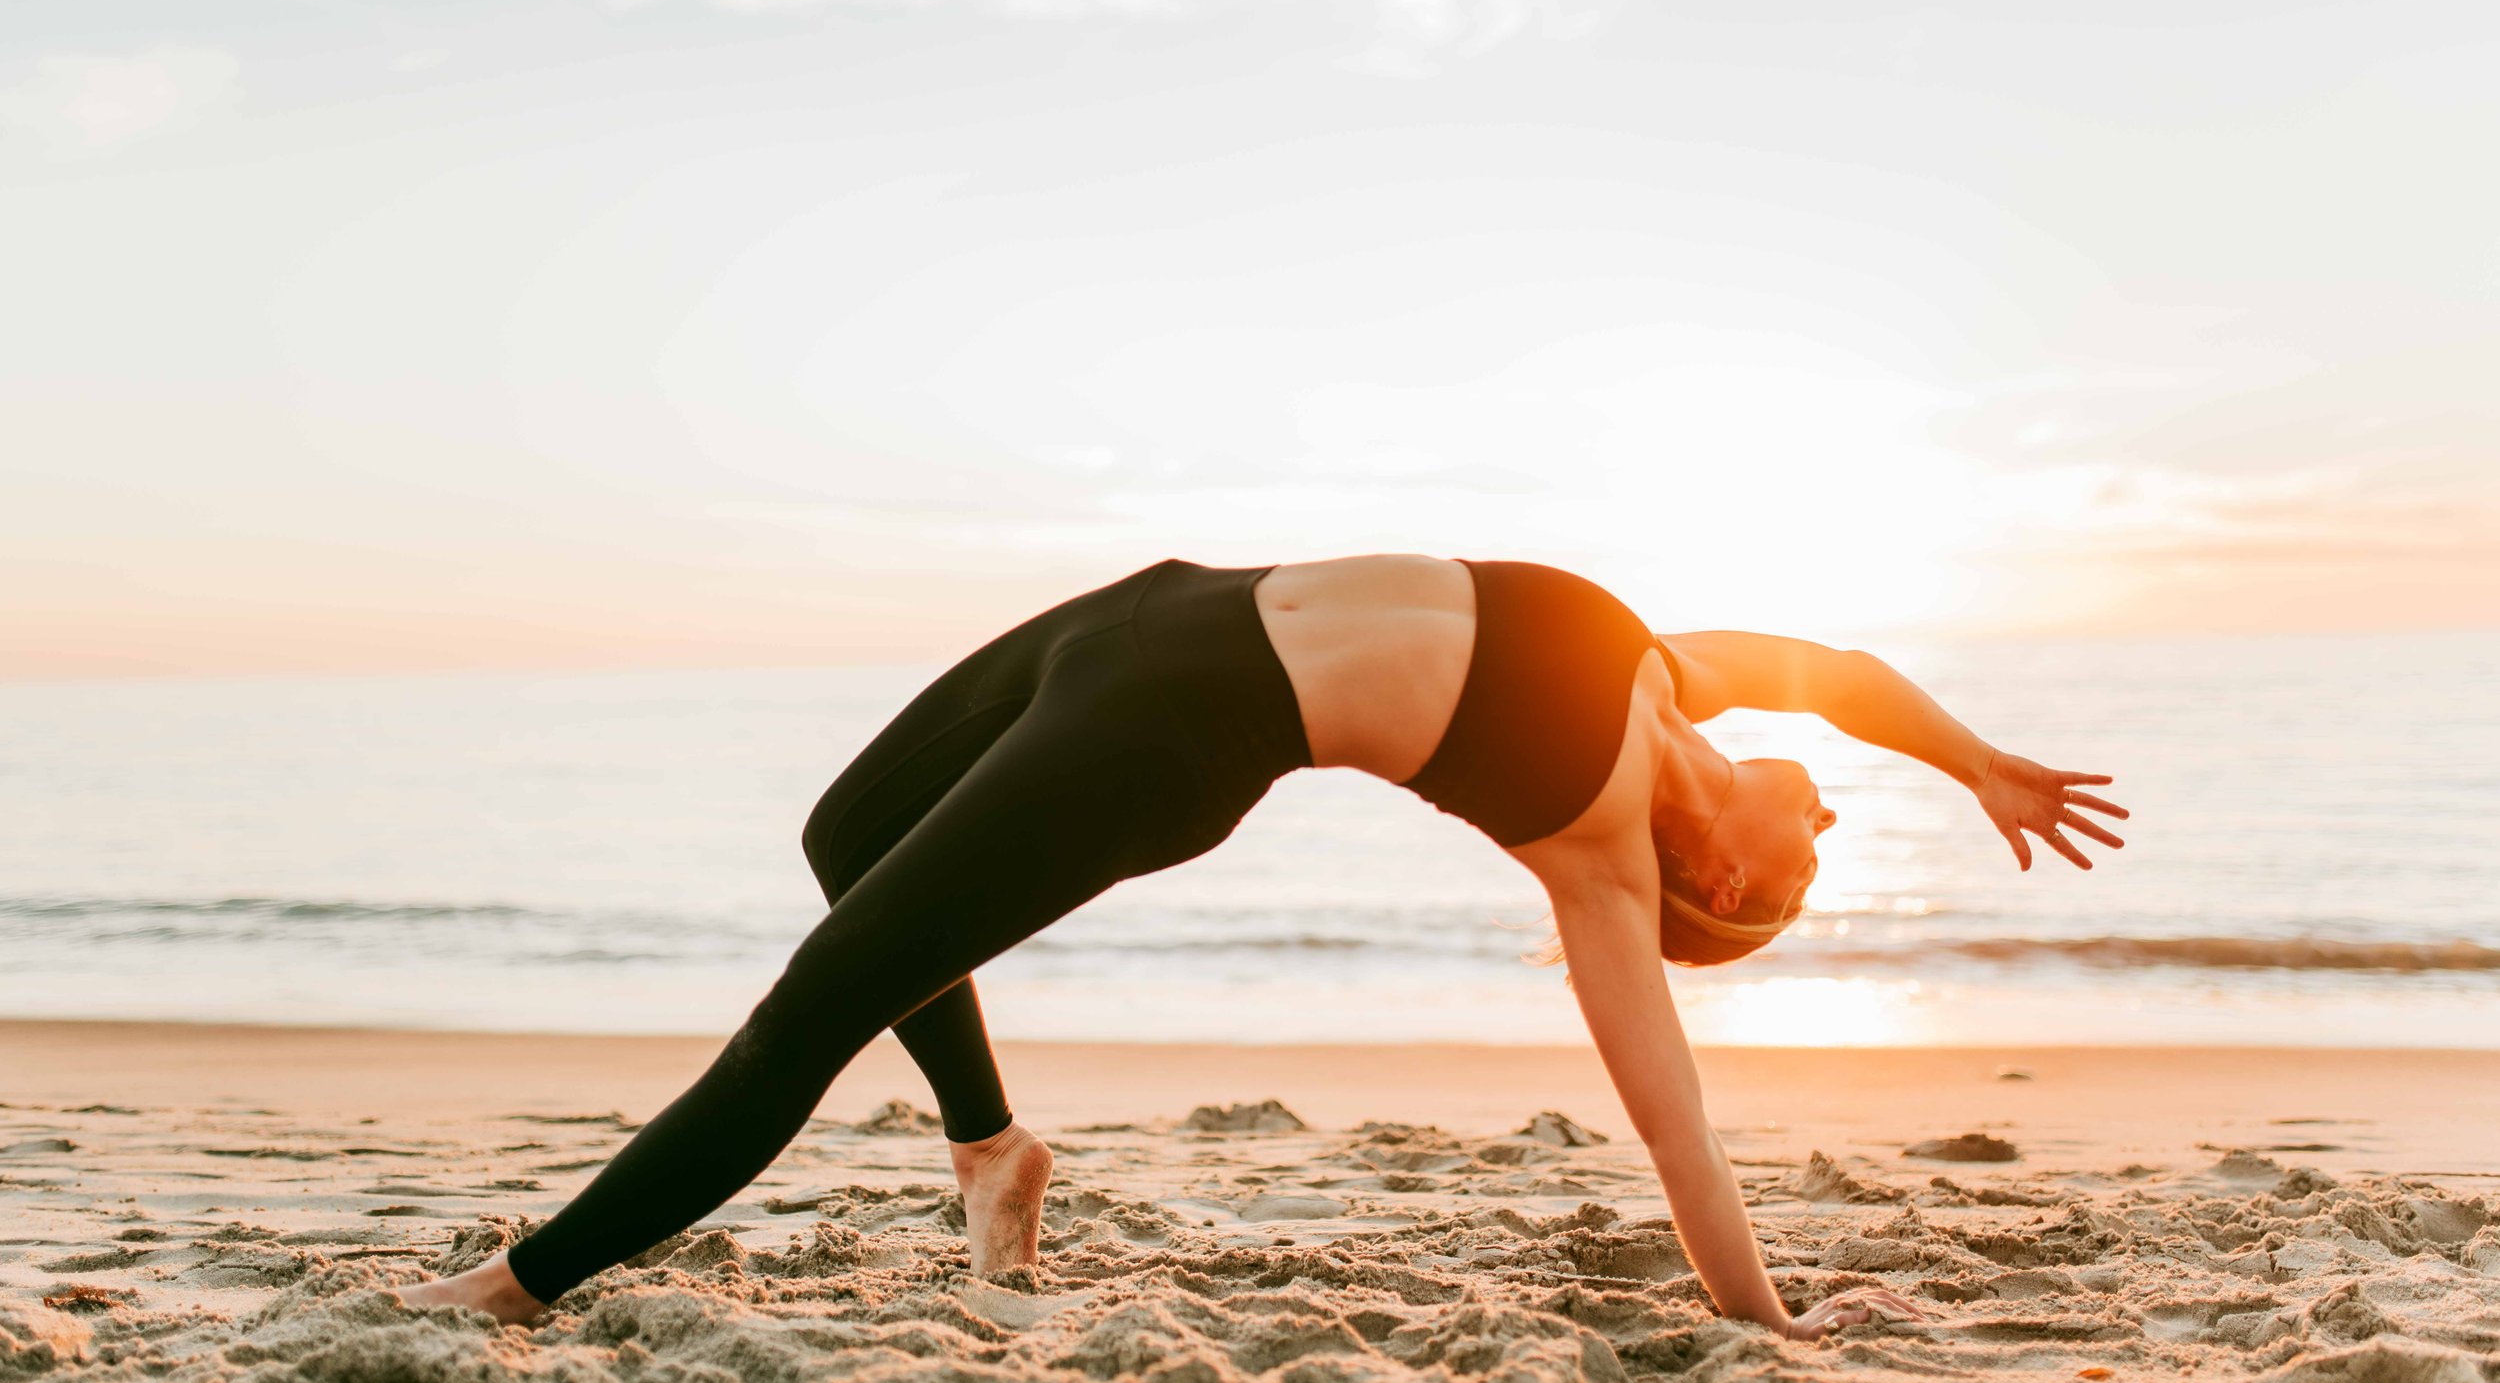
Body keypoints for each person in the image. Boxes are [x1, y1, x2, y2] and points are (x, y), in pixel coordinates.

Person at [406, 554, 2125, 1338]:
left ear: (1719, 885)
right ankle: (992, 1149)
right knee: (841, 840)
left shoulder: (1596, 859)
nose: (1821, 820)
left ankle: (520, 1280)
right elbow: (1841, 672)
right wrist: (1973, 758)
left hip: (1175, 735)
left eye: (1807, 864)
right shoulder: (1674, 672)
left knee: (812, 1008)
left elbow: (1677, 1132)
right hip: (1149, 611)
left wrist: (1770, 1319)